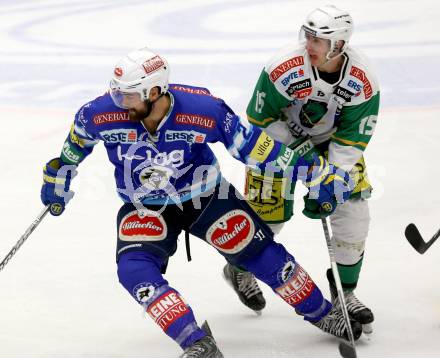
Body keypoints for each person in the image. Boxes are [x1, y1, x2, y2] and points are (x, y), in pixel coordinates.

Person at [40, 46, 360, 358]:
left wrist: (314, 171)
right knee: (133, 270)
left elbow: (253, 148)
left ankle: (322, 312)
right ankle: (196, 342)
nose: (119, 101)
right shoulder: (99, 114)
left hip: (206, 197)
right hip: (143, 204)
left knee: (263, 256)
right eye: (117, 92)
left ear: (154, 92)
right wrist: (60, 171)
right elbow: (76, 143)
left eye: (129, 94)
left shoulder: (203, 110)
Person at [223, 4, 379, 334]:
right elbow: (260, 121)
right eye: (307, 36)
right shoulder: (283, 67)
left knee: (353, 212)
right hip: (276, 146)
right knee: (267, 221)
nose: (308, 44)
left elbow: (352, 137)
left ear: (338, 45)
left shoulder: (363, 80)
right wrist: (304, 159)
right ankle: (239, 268)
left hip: (330, 144)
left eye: (318, 40)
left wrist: (332, 176)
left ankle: (345, 294)